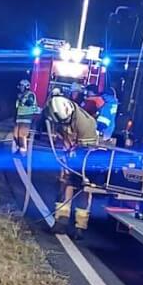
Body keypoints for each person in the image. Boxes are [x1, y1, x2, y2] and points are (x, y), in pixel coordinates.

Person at [44, 92, 97, 233]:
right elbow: (60, 137)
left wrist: (75, 165)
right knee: (64, 184)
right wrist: (64, 159)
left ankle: (80, 226)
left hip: (86, 156)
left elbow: (87, 150)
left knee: (84, 189)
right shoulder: (53, 112)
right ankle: (61, 221)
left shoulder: (86, 124)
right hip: (69, 151)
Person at [13, 79, 39, 153]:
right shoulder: (20, 95)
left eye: (22, 86)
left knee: (22, 135)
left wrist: (21, 98)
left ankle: (23, 151)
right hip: (19, 118)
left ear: (26, 87)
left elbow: (29, 103)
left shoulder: (30, 95)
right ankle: (18, 148)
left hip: (27, 118)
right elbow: (17, 107)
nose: (20, 87)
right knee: (16, 135)